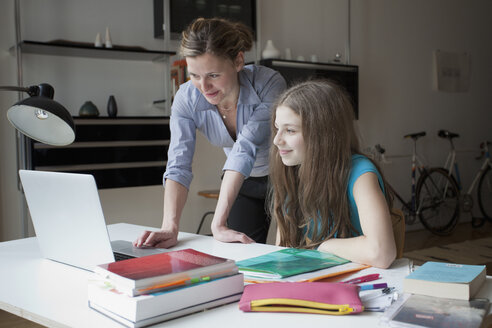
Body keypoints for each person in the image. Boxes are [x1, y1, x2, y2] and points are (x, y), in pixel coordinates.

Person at [134, 18, 286, 248]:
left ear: (238, 61)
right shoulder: (186, 99)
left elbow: (245, 146)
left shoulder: (268, 83)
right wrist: (170, 227)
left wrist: (216, 223)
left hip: (288, 177)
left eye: (213, 75)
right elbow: (178, 164)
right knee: (241, 257)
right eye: (194, 75)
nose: (203, 87)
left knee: (294, 256)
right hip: (243, 182)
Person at [269, 80, 396, 268]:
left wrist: (321, 246)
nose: (276, 140)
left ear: (322, 135)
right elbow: (284, 251)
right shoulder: (291, 170)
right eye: (277, 128)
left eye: (290, 130)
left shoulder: (360, 173)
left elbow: (381, 253)